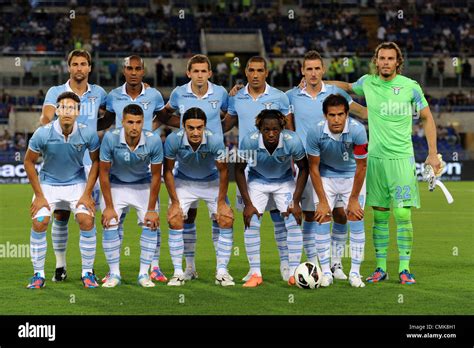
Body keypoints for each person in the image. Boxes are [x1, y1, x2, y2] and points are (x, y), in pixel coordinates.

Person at [327, 42, 441, 284]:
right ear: (376, 61)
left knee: (402, 214)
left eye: (391, 58)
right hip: (375, 160)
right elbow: (347, 87)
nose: (386, 62)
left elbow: (427, 118)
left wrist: (432, 153)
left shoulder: (411, 87)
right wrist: (317, 84)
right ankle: (380, 268)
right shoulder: (368, 82)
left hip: (401, 159)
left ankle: (404, 268)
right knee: (379, 216)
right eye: (382, 58)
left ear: (398, 62)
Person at [287, 50, 367, 280]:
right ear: (302, 71)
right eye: (308, 69)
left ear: (323, 70)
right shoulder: (291, 96)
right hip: (307, 164)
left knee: (341, 215)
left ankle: (336, 263)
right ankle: (314, 264)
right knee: (313, 214)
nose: (313, 73)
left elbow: (360, 112)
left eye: (317, 68)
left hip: (338, 165)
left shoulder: (335, 93)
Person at [156, 54, 229, 281]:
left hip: (211, 173)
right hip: (185, 177)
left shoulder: (221, 93)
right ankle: (186, 269)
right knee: (182, 217)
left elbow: (230, 116)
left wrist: (215, 132)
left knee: (223, 218)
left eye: (203, 71)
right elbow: (164, 113)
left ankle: (222, 271)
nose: (199, 75)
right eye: (195, 71)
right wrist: (158, 128)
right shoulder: (179, 93)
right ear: (189, 73)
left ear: (209, 73)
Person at [222, 56, 294, 282]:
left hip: (278, 167)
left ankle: (286, 264)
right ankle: (254, 270)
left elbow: (289, 131)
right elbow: (225, 125)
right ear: (245, 72)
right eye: (251, 70)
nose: (255, 75)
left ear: (266, 73)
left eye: (259, 70)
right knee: (250, 217)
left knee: (280, 218)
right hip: (248, 168)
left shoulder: (279, 97)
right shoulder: (236, 97)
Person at [40, 49, 107, 283]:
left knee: (87, 216)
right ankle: (60, 266)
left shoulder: (99, 92)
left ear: (89, 68)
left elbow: (112, 113)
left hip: (90, 165)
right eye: (75, 64)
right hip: (63, 164)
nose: (79, 68)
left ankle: (88, 269)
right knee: (60, 215)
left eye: (83, 64)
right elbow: (46, 117)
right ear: (69, 67)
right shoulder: (56, 92)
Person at [99, 55, 167, 283]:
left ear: (143, 71)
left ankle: (147, 271)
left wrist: (149, 130)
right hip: (118, 175)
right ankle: (114, 272)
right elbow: (105, 122)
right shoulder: (112, 98)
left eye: (138, 68)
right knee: (110, 222)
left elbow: (165, 117)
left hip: (142, 177)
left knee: (151, 221)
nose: (134, 72)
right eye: (130, 68)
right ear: (124, 70)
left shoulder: (155, 95)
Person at [24, 92, 100, 289]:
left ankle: (88, 273)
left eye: (71, 108)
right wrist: (39, 196)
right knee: (40, 222)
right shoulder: (43, 133)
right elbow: (28, 162)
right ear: (57, 110)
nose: (67, 111)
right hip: (48, 185)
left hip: (77, 184)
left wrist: (87, 193)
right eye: (63, 107)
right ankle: (38, 274)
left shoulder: (87, 133)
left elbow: (96, 162)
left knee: (86, 220)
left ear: (78, 112)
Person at [235, 109, 308, 287]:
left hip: (284, 182)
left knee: (293, 219)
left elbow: (304, 169)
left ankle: (293, 273)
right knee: (251, 220)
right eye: (266, 130)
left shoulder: (292, 140)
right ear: (259, 129)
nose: (271, 134)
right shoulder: (249, 141)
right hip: (257, 181)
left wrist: (296, 202)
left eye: (275, 129)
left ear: (282, 127)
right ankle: (255, 273)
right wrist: (248, 204)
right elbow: (238, 170)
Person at [163, 107, 234, 286]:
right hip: (184, 182)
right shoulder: (173, 140)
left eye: (199, 128)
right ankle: (183, 271)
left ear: (205, 127)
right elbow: (168, 171)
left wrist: (221, 202)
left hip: (211, 182)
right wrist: (174, 202)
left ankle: (222, 271)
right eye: (191, 128)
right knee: (175, 218)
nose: (195, 132)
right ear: (183, 127)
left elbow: (224, 171)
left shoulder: (215, 140)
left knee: (225, 218)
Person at [306, 94, 368, 288]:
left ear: (347, 114)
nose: (337, 119)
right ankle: (326, 272)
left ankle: (355, 273)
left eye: (341, 114)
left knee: (355, 217)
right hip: (325, 176)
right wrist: (323, 201)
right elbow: (313, 168)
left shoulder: (358, 131)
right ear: (325, 116)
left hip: (352, 177)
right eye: (332, 115)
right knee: (322, 217)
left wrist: (354, 199)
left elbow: (362, 166)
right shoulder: (314, 132)